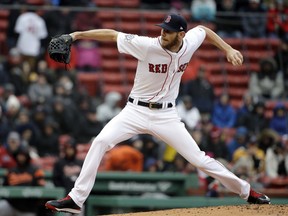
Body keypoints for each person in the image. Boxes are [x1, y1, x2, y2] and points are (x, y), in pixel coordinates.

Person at [45, 13, 270, 214]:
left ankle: (247, 191)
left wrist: (228, 48)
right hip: (134, 111)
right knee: (100, 141)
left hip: (166, 116)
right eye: (162, 28)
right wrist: (76, 35)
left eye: (169, 31)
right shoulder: (147, 45)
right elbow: (113, 35)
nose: (163, 33)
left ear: (181, 34)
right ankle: (76, 199)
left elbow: (204, 31)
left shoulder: (189, 43)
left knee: (199, 159)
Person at [0, 146, 46, 216]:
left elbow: (41, 188)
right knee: (1, 206)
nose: (21, 157)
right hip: (12, 205)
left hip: (28, 208)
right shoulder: (11, 170)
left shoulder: (36, 170)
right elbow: (4, 188)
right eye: (19, 155)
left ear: (27, 156)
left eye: (23, 155)